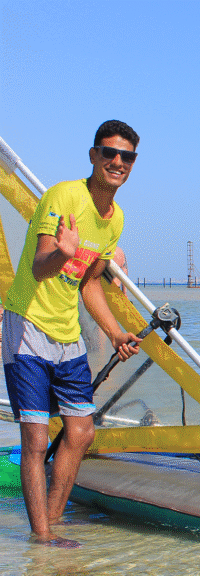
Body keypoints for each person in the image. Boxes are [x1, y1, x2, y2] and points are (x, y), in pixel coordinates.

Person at [2, 120, 143, 546]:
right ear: (93, 156)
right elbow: (39, 265)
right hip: (27, 323)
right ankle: (41, 536)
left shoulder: (114, 219)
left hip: (67, 333)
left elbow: (90, 283)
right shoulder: (64, 196)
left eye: (126, 156)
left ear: (133, 164)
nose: (117, 162)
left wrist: (116, 333)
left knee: (81, 431)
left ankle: (55, 520)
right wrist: (62, 252)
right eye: (109, 153)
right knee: (36, 435)